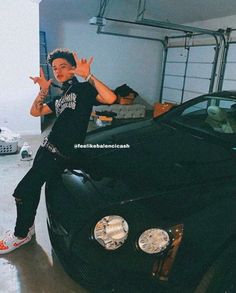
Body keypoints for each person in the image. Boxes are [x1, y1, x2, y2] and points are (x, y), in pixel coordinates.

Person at [0, 48, 117, 254]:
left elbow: (110, 99)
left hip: (58, 155)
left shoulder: (83, 90)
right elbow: (35, 111)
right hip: (45, 149)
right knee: (35, 189)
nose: (58, 71)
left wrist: (88, 75)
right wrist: (43, 90)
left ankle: (21, 234)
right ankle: (27, 228)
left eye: (63, 66)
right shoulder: (62, 96)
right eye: (55, 68)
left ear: (73, 67)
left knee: (23, 191)